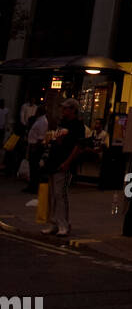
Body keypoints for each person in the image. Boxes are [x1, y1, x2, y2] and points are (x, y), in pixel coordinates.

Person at [41, 98, 86, 237]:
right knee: (52, 195)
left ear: (73, 109)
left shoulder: (78, 125)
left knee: (61, 195)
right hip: (54, 162)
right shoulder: (62, 123)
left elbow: (78, 146)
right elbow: (57, 141)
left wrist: (67, 162)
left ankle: (63, 224)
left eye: (66, 108)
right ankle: (53, 223)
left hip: (64, 164)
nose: (63, 110)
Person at [24, 104, 49, 194]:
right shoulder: (39, 120)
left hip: (36, 146)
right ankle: (31, 185)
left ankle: (34, 186)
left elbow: (40, 137)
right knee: (32, 166)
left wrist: (35, 147)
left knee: (34, 167)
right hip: (33, 144)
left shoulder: (43, 121)